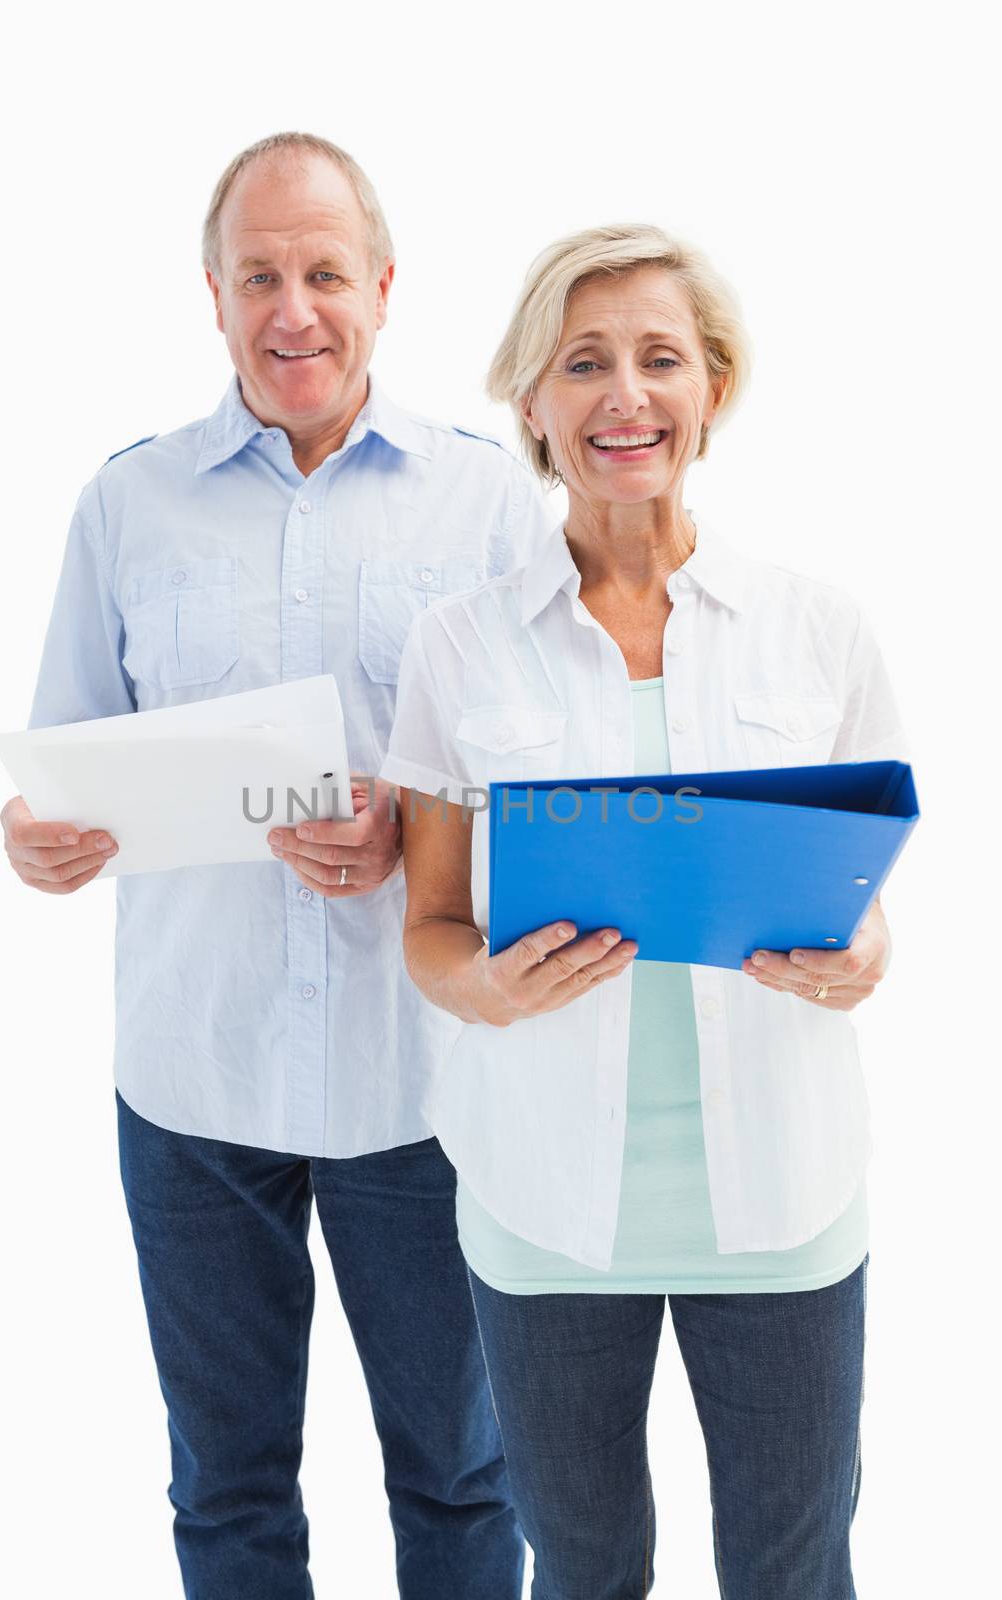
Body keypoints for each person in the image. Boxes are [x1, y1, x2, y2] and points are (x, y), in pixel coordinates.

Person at [0, 132, 554, 1600]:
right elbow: (64, 758)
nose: (291, 308)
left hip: (419, 1080)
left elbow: (551, 794)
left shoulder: (489, 505)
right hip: (193, 1078)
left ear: (382, 286)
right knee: (227, 1486)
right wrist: (34, 840)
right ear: (215, 294)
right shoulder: (130, 502)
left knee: (462, 1478)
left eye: (322, 272)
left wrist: (414, 832)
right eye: (260, 276)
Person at [381, 223, 909, 1599]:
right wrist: (486, 988)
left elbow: (867, 912)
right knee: (586, 1565)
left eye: (660, 359)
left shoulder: (819, 628)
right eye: (584, 364)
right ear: (534, 407)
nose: (625, 395)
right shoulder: (459, 647)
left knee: (796, 1569)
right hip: (545, 1205)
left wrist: (861, 959)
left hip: (782, 1199)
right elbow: (431, 926)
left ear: (712, 389)